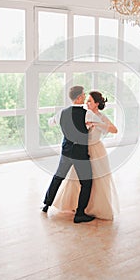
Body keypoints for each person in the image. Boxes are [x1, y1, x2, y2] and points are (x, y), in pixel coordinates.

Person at [53, 91, 120, 220]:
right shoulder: (83, 114)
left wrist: (97, 124)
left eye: (90, 101)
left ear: (97, 104)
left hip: (97, 151)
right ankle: (77, 206)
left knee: (97, 181)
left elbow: (114, 129)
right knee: (77, 180)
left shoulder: (100, 117)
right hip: (81, 150)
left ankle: (94, 208)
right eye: (87, 100)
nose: (87, 103)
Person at [42, 86, 95, 224]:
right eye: (83, 95)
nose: (84, 97)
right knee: (87, 182)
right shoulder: (87, 113)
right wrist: (89, 127)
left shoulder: (62, 112)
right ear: (78, 98)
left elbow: (50, 123)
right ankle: (80, 214)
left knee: (58, 177)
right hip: (80, 154)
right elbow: (93, 125)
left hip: (66, 151)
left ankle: (46, 204)